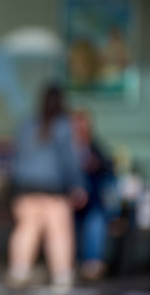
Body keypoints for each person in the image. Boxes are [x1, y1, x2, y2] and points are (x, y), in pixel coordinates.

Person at [6, 84, 86, 293]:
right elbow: (70, 161)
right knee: (58, 232)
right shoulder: (64, 126)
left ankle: (19, 271)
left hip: (25, 186)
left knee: (26, 228)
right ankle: (61, 276)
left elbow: (16, 157)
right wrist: (78, 184)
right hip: (54, 187)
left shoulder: (27, 124)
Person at [71, 109, 114, 281]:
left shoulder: (96, 148)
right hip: (68, 201)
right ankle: (67, 263)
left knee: (96, 218)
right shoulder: (64, 148)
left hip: (92, 202)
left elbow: (108, 170)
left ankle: (92, 265)